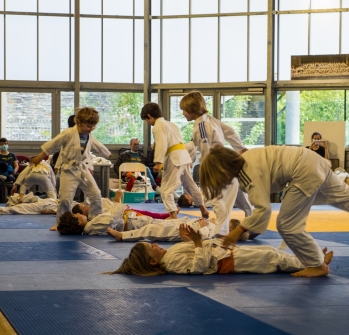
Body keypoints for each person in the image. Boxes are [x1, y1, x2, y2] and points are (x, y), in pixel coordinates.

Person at [199, 144, 349, 278]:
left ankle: (316, 265)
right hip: (312, 160)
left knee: (287, 225)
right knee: (347, 196)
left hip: (302, 171)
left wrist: (236, 233)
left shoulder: (247, 174)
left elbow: (263, 210)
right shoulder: (248, 159)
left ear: (224, 171)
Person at [105, 224, 334, 276]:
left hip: (225, 253)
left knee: (271, 253)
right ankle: (314, 265)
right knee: (270, 257)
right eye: (151, 248)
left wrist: (189, 240)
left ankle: (313, 261)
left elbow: (196, 250)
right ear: (153, 262)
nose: (155, 244)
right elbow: (198, 267)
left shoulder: (170, 253)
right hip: (227, 262)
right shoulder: (170, 264)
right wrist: (195, 243)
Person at [179, 90, 254, 233]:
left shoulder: (201, 126)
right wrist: (241, 148)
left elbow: (206, 150)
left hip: (214, 165)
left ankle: (221, 231)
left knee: (217, 198)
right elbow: (230, 132)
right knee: (236, 192)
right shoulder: (210, 119)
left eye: (184, 110)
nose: (183, 113)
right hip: (225, 161)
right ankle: (252, 218)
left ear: (192, 109)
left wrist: (209, 169)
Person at [30, 107, 111, 231]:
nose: (91, 129)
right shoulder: (68, 133)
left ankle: (95, 219)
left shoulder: (89, 135)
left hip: (83, 169)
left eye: (93, 126)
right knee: (65, 199)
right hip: (69, 171)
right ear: (78, 122)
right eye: (89, 126)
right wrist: (39, 157)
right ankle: (61, 222)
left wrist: (107, 153)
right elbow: (53, 143)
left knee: (96, 194)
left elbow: (97, 145)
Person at [140, 102, 209, 219]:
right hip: (183, 157)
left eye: (147, 120)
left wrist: (158, 162)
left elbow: (162, 144)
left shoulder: (158, 125)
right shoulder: (170, 124)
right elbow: (175, 142)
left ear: (149, 116)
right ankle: (203, 209)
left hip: (174, 159)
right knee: (190, 186)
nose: (148, 123)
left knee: (166, 190)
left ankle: (173, 215)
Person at [57, 190, 171, 235]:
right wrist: (117, 200)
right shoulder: (92, 226)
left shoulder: (91, 226)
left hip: (133, 221)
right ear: (77, 222)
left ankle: (171, 220)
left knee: (162, 224)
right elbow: (112, 220)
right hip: (133, 223)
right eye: (78, 215)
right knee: (164, 226)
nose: (80, 214)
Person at [106, 216, 240, 242]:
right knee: (153, 224)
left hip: (182, 231)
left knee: (150, 229)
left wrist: (203, 227)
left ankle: (122, 236)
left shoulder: (216, 232)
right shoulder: (216, 225)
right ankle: (123, 234)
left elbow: (204, 238)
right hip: (183, 223)